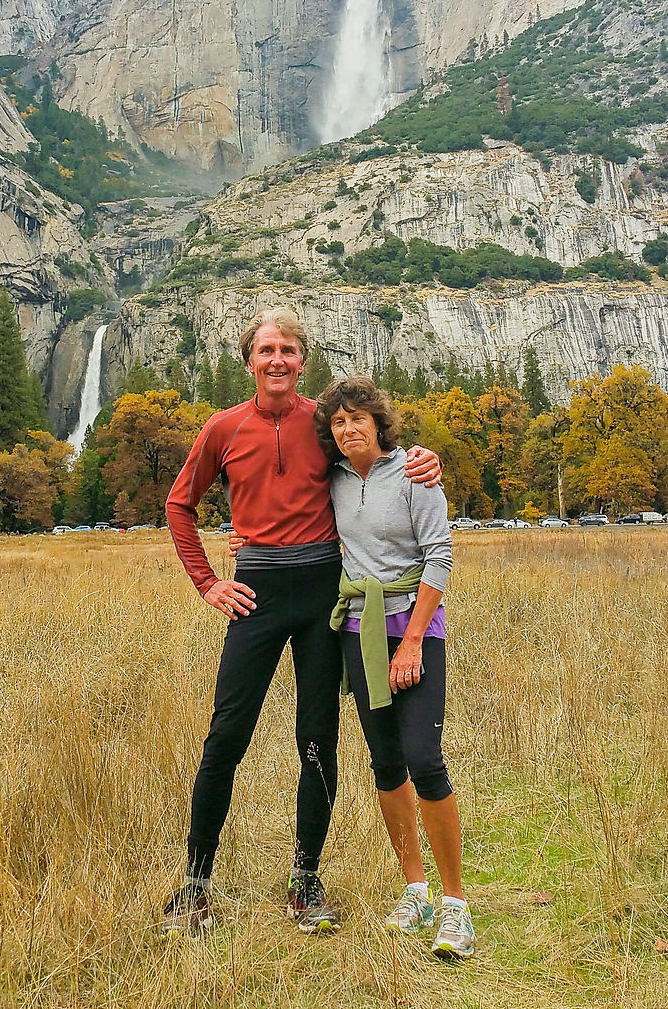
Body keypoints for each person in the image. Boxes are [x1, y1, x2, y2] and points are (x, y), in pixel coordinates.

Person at [162, 309, 441, 935]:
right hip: (256, 594)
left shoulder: (324, 424)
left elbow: (383, 456)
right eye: (267, 350)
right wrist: (208, 582)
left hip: (322, 596)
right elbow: (179, 505)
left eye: (289, 349)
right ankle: (196, 883)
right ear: (249, 360)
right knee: (226, 737)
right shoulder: (222, 428)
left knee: (318, 737)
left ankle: (305, 879)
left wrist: (426, 459)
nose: (278, 360)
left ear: (302, 359)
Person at [316, 375, 475, 960]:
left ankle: (456, 905)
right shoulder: (331, 480)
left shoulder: (413, 473)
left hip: (413, 626)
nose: (349, 427)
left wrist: (411, 644)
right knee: (385, 762)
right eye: (338, 421)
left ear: (378, 423)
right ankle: (416, 890)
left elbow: (440, 557)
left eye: (358, 417)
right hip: (358, 632)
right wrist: (245, 545)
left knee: (424, 759)